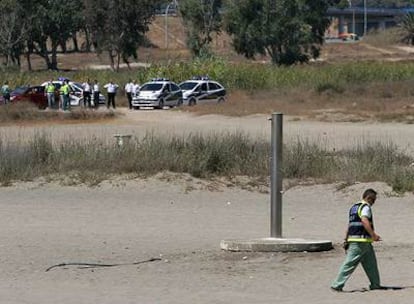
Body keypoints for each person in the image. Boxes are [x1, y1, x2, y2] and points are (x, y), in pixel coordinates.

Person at [331, 188, 384, 292]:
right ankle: (336, 285)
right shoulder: (365, 207)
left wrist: (346, 239)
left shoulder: (354, 208)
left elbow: (350, 224)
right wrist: (373, 235)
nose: (374, 202)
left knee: (371, 264)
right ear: (368, 198)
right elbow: (364, 221)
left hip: (362, 242)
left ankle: (375, 285)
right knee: (349, 263)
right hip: (360, 241)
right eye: (373, 200)